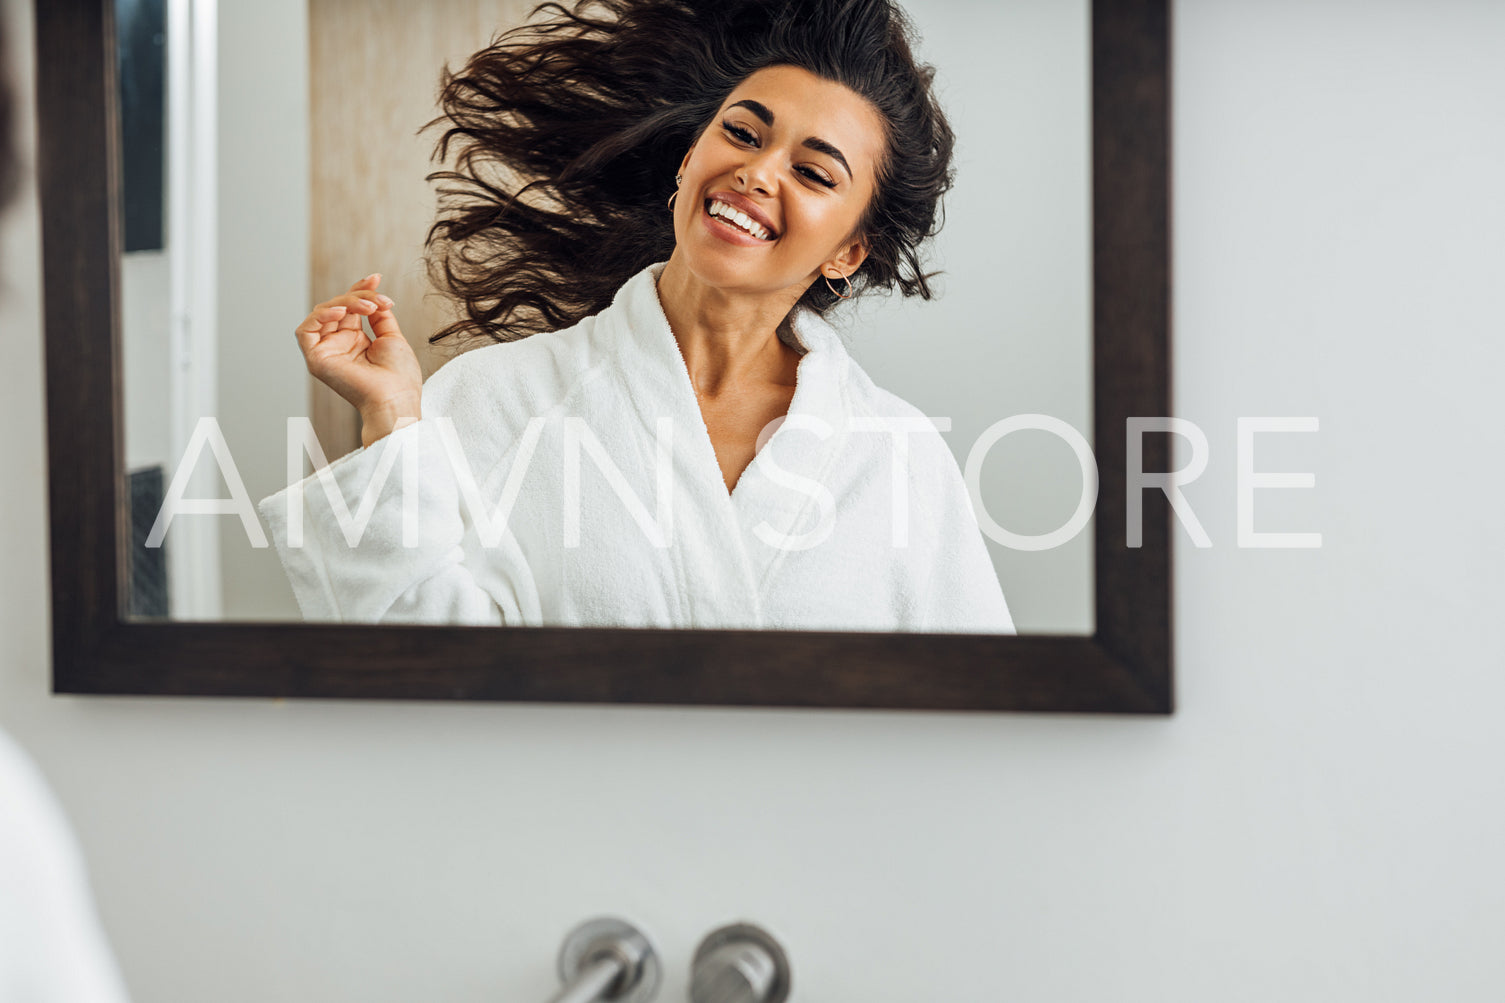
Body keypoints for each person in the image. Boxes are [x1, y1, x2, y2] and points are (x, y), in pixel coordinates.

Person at [259, 0, 1015, 634]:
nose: (756, 170)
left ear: (848, 251)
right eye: (743, 134)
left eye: (812, 172)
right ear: (688, 161)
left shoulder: (894, 454)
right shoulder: (497, 398)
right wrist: (392, 415)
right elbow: (419, 669)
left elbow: (978, 719)